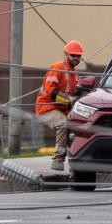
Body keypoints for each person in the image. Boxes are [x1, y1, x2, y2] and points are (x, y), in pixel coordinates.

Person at [36, 40, 85, 171]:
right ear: (66, 54)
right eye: (73, 55)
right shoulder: (57, 68)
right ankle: (58, 160)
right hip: (46, 108)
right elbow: (50, 92)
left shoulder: (74, 74)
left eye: (78, 56)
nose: (76, 58)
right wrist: (68, 100)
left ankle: (75, 166)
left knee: (78, 127)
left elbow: (72, 95)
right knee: (64, 124)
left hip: (62, 110)